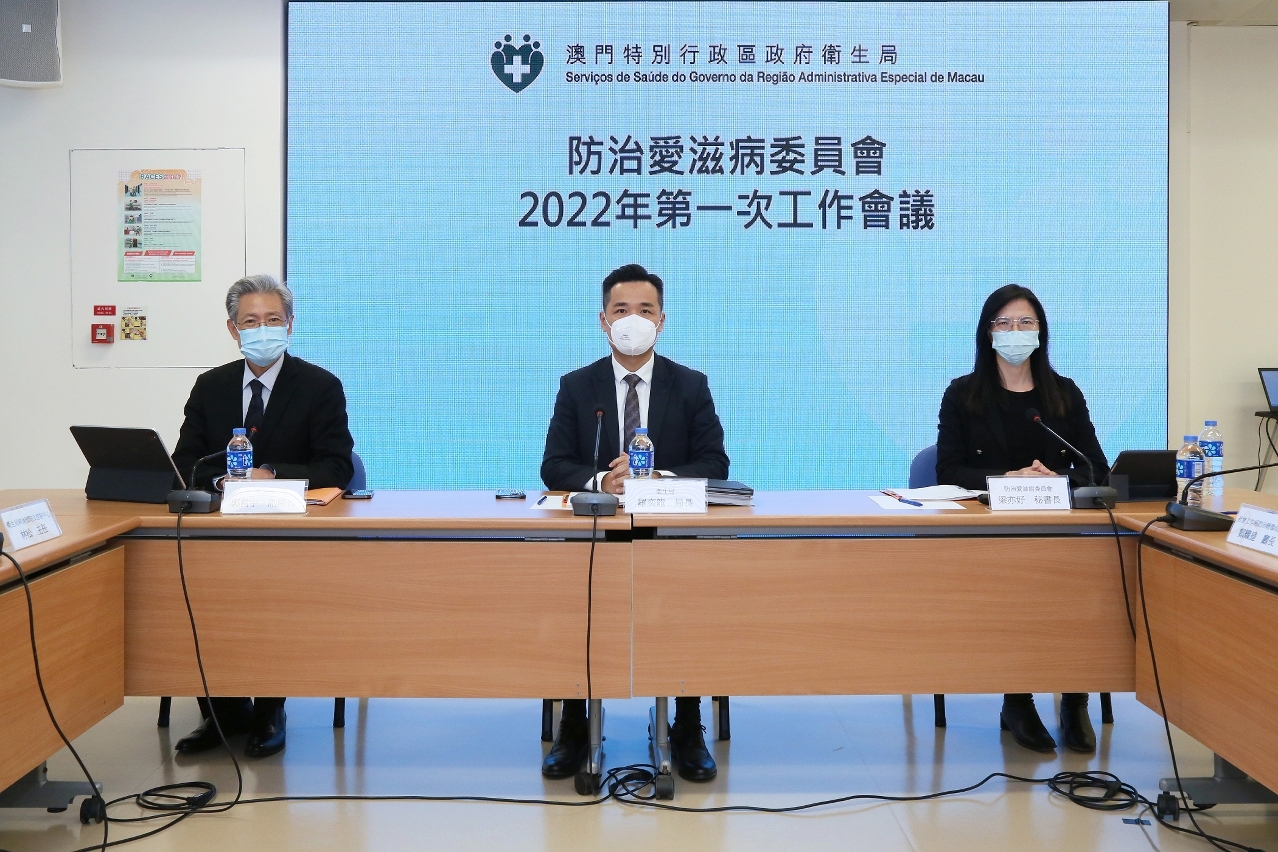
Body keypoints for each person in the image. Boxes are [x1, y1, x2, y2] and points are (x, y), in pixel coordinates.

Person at [541, 264, 729, 781]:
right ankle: (575, 722)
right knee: (576, 595)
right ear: (603, 320)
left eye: (645, 311)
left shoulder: (689, 385)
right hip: (595, 536)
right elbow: (553, 466)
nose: (633, 320)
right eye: (621, 310)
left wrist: (655, 477)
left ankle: (686, 723)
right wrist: (604, 480)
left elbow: (715, 464)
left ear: (661, 321)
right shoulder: (578, 386)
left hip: (671, 535)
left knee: (688, 596)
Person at [170, 273, 355, 758]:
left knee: (275, 602)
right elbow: (185, 461)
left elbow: (337, 466)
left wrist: (271, 473)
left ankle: (271, 708)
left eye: (273, 319)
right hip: (218, 534)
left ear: (290, 325)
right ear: (233, 329)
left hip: (290, 536)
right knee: (194, 593)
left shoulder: (319, 386)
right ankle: (223, 714)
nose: (262, 329)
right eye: (250, 321)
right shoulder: (210, 386)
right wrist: (220, 481)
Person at [935, 284, 1109, 754]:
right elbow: (948, 471)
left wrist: (1055, 477)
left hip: (1060, 532)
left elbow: (1096, 468)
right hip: (993, 533)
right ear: (988, 332)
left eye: (1025, 322)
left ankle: (1074, 699)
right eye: (1004, 323)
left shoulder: (1064, 394)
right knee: (1018, 586)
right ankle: (1018, 700)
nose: (1015, 331)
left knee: (1083, 586)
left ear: (1041, 331)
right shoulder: (963, 394)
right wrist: (1006, 478)